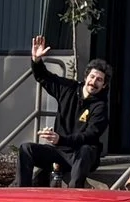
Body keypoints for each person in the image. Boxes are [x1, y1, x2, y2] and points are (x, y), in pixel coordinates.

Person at [24, 39, 112, 188]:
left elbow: (90, 135)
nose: (94, 82)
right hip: (59, 152)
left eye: (99, 80)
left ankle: (73, 194)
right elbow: (44, 77)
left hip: (82, 156)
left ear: (104, 85)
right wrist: (36, 60)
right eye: (92, 77)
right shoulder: (68, 89)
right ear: (85, 77)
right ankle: (21, 191)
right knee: (26, 149)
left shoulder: (100, 106)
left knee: (85, 149)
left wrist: (61, 139)